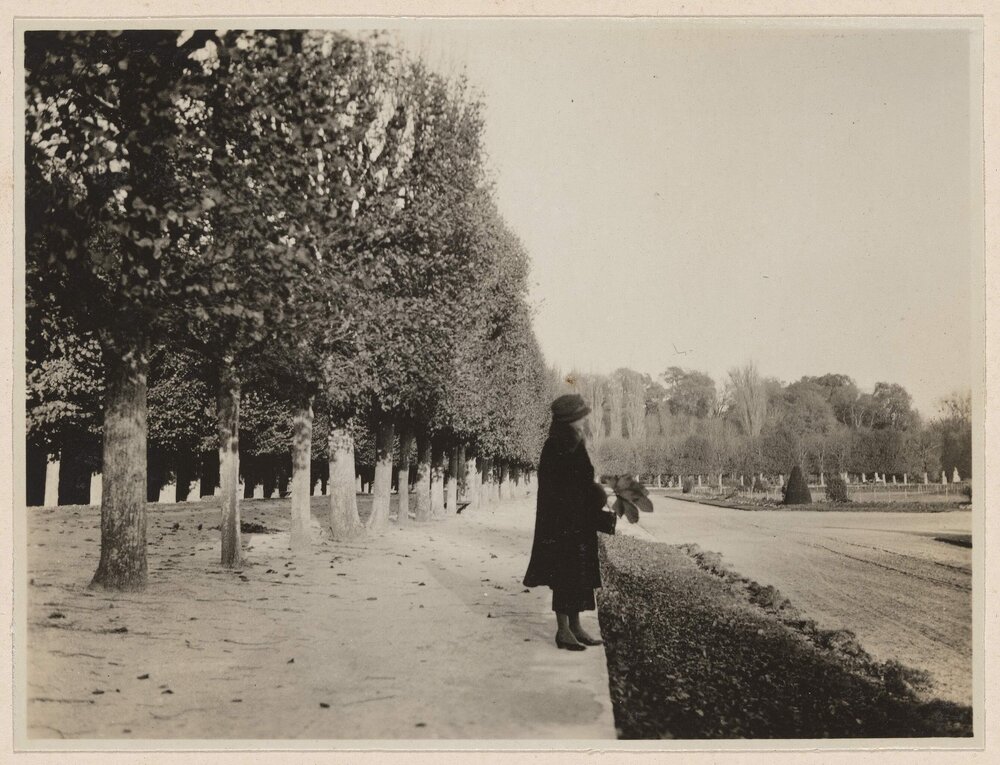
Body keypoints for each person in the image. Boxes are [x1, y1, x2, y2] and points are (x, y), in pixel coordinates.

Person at [523, 393, 617, 651]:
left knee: (580, 576)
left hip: (579, 522)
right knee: (564, 576)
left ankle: (576, 627)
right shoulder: (554, 446)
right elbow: (555, 489)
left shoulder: (577, 443)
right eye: (581, 417)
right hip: (562, 524)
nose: (585, 421)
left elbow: (583, 482)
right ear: (570, 420)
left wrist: (595, 494)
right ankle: (563, 630)